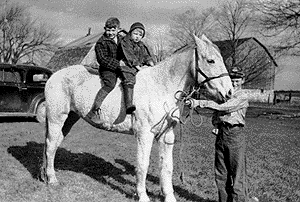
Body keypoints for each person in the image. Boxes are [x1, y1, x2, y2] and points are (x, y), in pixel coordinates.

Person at [189, 67, 259, 202]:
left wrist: (199, 103)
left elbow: (224, 107)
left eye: (237, 80)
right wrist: (216, 124)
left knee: (237, 174)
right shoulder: (224, 95)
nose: (234, 83)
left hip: (235, 134)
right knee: (221, 173)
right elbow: (217, 113)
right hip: (221, 134)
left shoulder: (242, 96)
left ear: (242, 81)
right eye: (231, 80)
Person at [86, 17, 125, 120]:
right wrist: (118, 64)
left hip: (121, 67)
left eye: (113, 30)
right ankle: (94, 110)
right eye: (108, 30)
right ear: (105, 29)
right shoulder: (101, 42)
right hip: (108, 69)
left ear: (118, 29)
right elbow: (102, 59)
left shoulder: (122, 39)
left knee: (130, 81)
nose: (110, 33)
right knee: (110, 84)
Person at [117, 22, 154, 114]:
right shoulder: (126, 42)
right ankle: (128, 104)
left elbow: (146, 56)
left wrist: (151, 64)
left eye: (140, 35)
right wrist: (139, 68)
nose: (137, 36)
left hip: (137, 66)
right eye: (135, 34)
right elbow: (130, 56)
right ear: (130, 33)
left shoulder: (141, 45)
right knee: (129, 78)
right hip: (126, 65)